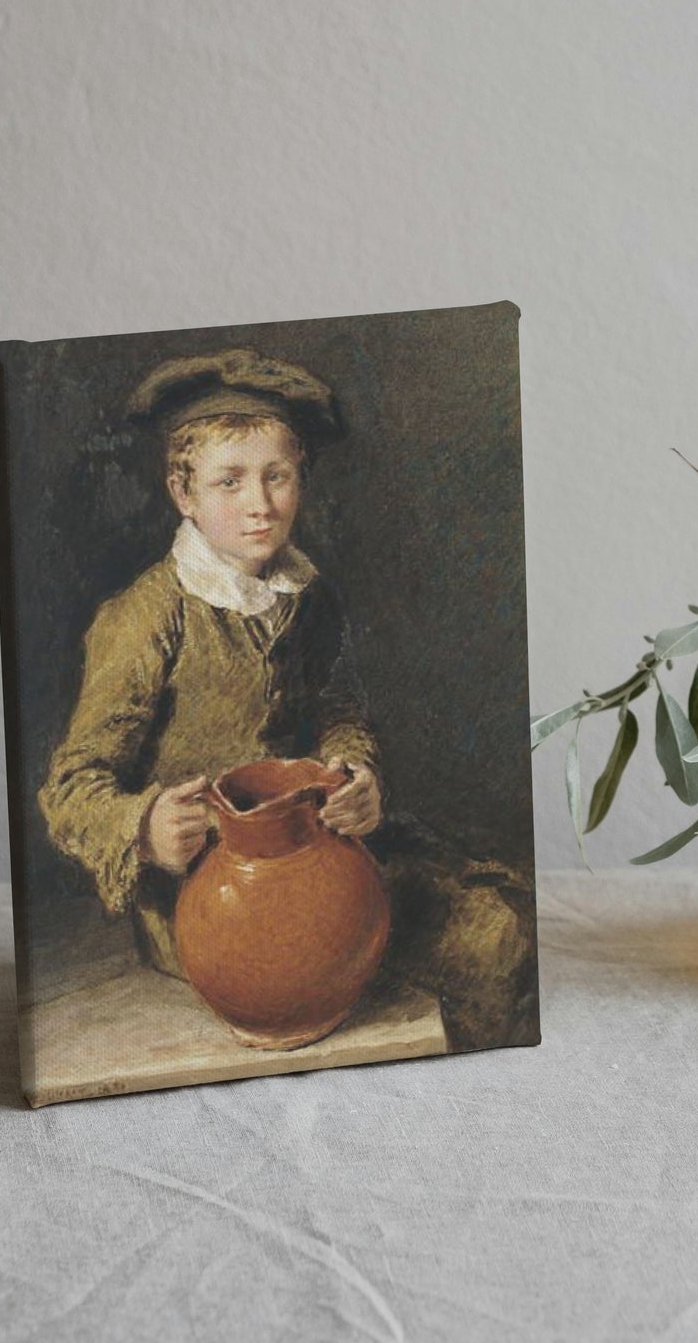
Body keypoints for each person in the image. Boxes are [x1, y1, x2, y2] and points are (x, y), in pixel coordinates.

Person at [38, 347, 538, 1053]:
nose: (259, 504)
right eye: (228, 481)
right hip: (210, 895)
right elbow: (70, 787)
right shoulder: (146, 617)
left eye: (277, 476)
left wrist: (354, 773)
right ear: (183, 494)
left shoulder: (307, 595)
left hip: (313, 848)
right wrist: (145, 823)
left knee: (500, 922)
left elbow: (340, 712)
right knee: (469, 945)